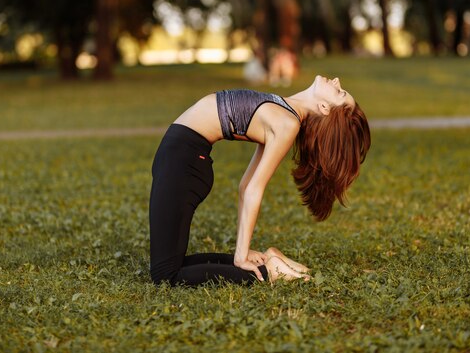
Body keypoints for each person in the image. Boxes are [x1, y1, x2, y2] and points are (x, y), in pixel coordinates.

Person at [149, 75, 371, 286]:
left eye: (339, 92)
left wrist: (241, 255)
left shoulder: (287, 123)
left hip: (183, 164)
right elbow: (245, 185)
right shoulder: (285, 109)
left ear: (324, 108)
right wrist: (242, 253)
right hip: (181, 160)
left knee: (166, 275)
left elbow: (254, 188)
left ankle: (268, 272)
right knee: (170, 267)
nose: (337, 82)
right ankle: (268, 261)